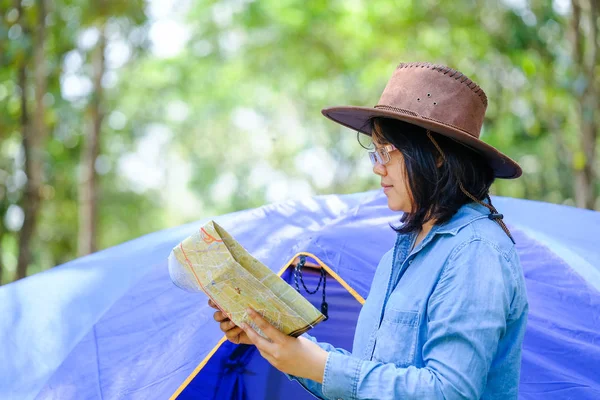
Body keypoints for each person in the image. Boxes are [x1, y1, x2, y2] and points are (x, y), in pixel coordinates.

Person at [209, 62, 529, 399]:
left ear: (435, 154)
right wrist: (280, 342)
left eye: (385, 151)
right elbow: (370, 379)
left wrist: (319, 365)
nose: (377, 167)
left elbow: (449, 391)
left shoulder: (476, 251)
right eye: (374, 152)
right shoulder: (401, 251)